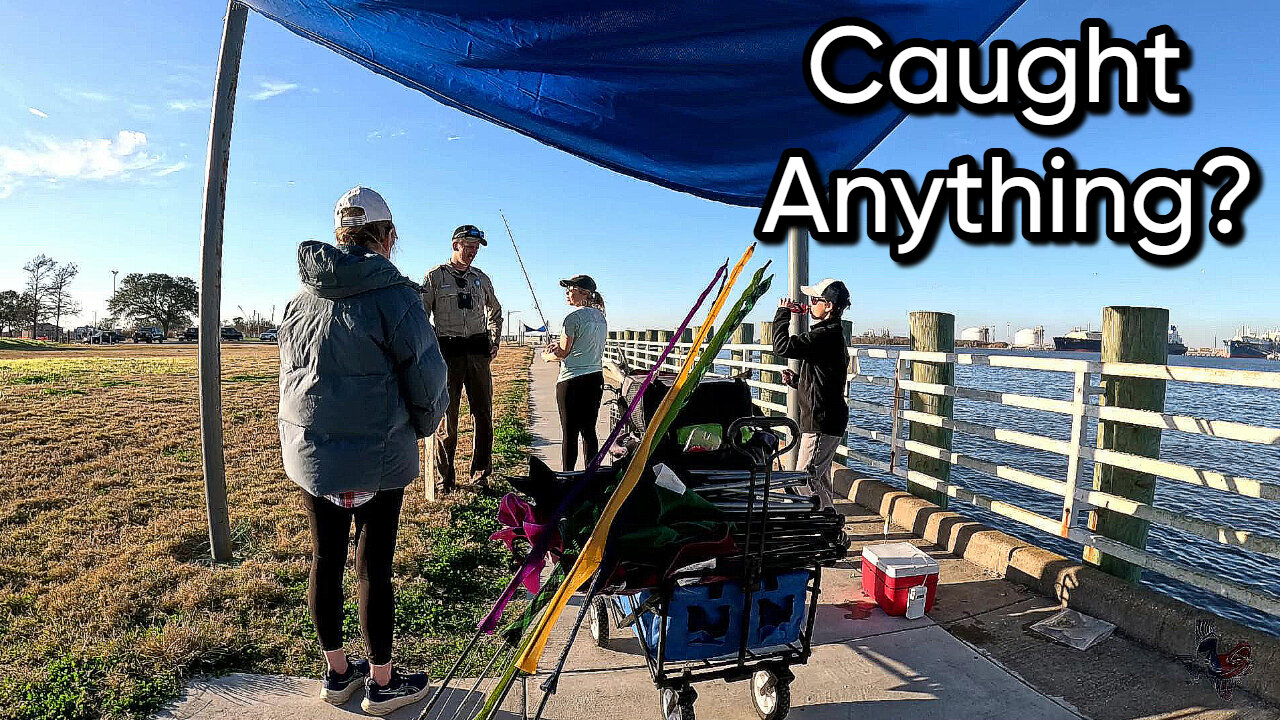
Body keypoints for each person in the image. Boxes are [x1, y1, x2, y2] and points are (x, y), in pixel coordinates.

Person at [278, 186, 449, 715]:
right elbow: (425, 374)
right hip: (377, 452)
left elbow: (291, 373)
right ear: (386, 236)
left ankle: (337, 674)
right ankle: (382, 681)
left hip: (312, 453)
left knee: (324, 559)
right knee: (374, 563)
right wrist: (426, 424)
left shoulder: (301, 297)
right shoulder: (395, 295)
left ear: (340, 235)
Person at [420, 225, 503, 493]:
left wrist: (494, 339)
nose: (473, 252)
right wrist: (433, 345)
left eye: (476, 248)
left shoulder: (482, 279)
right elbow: (422, 316)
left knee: (484, 416)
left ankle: (480, 476)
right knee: (448, 419)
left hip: (478, 354)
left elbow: (496, 311)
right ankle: (446, 479)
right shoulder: (435, 277)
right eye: (468, 246)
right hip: (449, 355)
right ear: (455, 244)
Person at [772, 278, 851, 510]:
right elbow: (824, 380)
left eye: (815, 300)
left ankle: (828, 525)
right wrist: (797, 382)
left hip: (822, 422)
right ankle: (827, 526)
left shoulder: (825, 335)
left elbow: (782, 347)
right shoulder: (829, 336)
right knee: (819, 478)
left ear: (828, 306)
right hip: (826, 418)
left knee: (804, 478)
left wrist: (783, 313)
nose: (811, 304)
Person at [542, 275, 607, 470]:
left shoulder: (572, 318)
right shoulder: (601, 318)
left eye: (571, 289)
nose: (567, 293)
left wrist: (547, 356)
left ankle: (568, 476)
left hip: (571, 382)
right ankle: (591, 475)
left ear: (584, 293)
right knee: (589, 431)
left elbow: (562, 352)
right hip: (595, 379)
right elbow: (583, 346)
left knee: (570, 433)